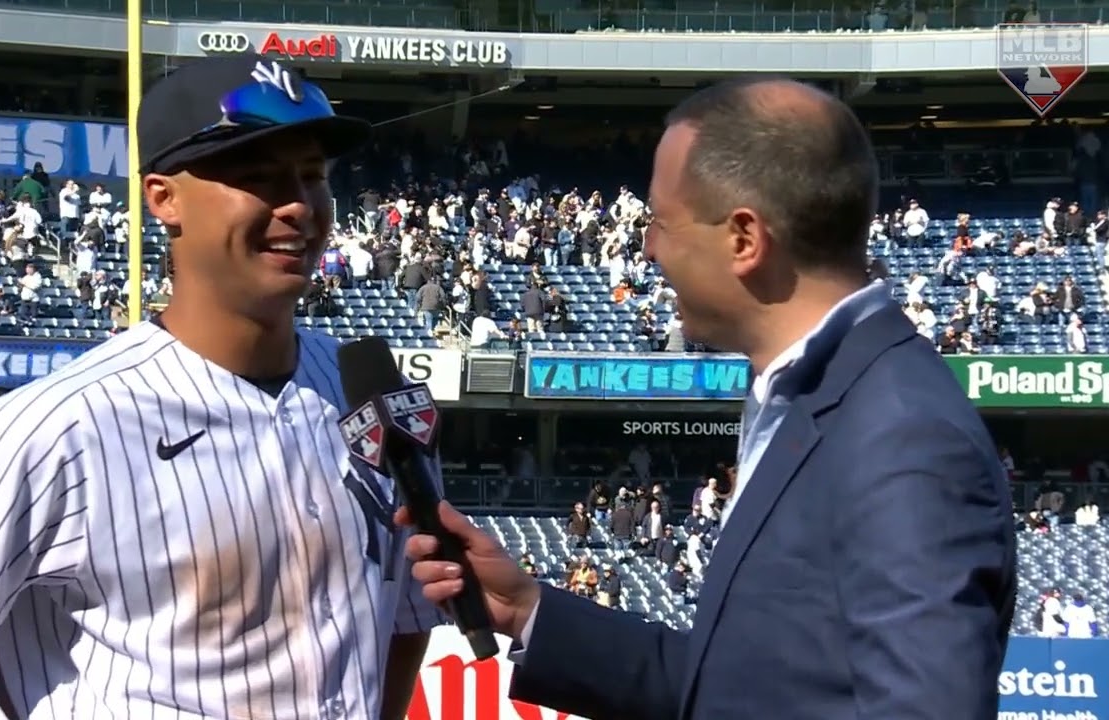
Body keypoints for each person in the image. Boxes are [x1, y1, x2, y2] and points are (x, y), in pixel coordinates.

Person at [0, 54, 444, 720]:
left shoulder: (372, 394)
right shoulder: (61, 423)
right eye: (259, 177)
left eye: (313, 175)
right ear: (163, 197)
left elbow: (406, 614)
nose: (297, 204)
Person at [400, 78, 1015, 720]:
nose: (648, 248)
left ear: (744, 239)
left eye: (661, 223)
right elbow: (741, 691)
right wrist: (528, 609)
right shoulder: (806, 395)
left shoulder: (901, 433)